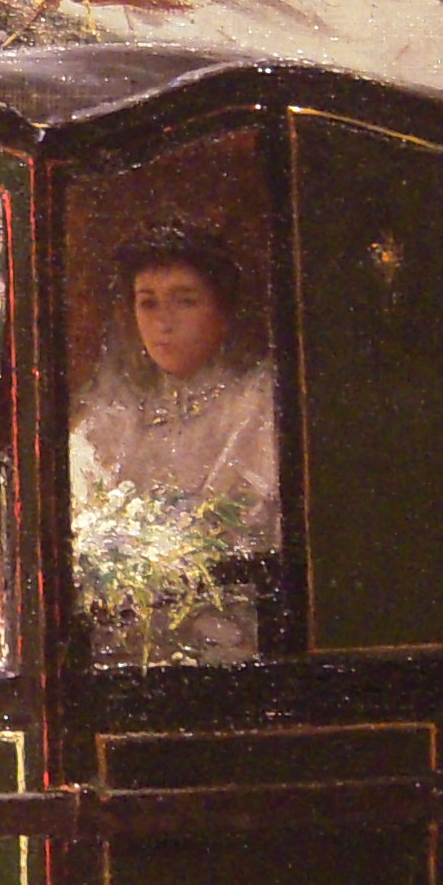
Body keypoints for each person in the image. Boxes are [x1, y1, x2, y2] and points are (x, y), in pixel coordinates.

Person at [67, 224, 278, 664]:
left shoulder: (256, 409)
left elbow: (250, 539)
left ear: (224, 313)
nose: (163, 323)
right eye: (148, 303)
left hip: (231, 640)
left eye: (185, 301)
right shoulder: (111, 422)